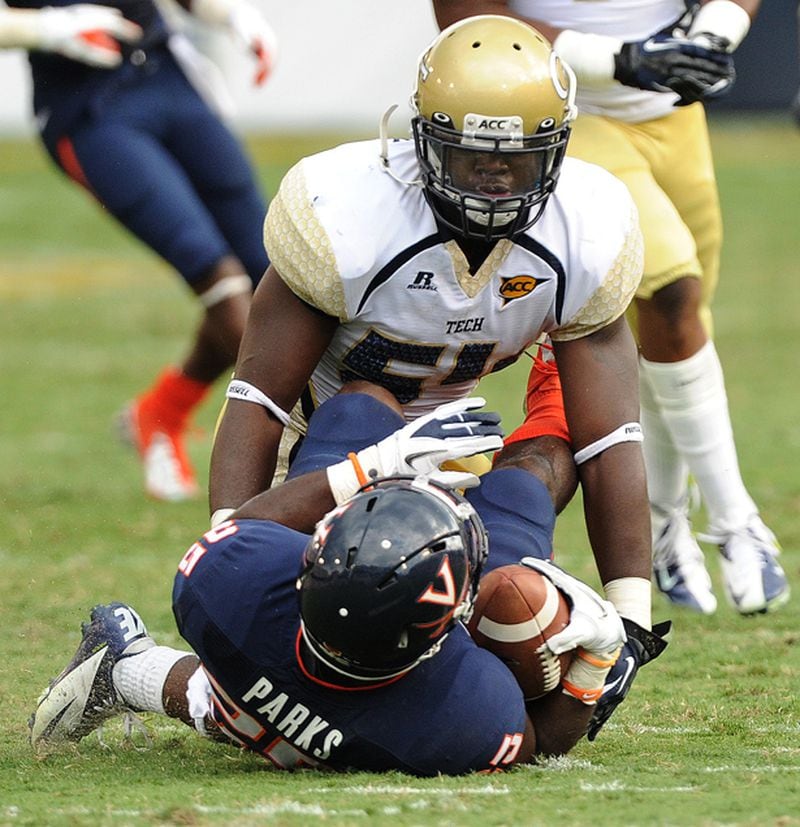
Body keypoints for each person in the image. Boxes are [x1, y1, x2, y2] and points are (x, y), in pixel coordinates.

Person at [207, 15, 670, 740]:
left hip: (462, 446)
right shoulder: (346, 212)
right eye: (470, 157)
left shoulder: (588, 225)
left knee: (528, 507)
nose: (491, 177)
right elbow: (259, 398)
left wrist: (632, 621)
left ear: (556, 150)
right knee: (364, 406)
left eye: (513, 160)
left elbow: (609, 437)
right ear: (423, 140)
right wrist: (222, 551)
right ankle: (161, 674)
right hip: (332, 449)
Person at [29, 390, 635, 774]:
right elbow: (535, 740)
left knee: (357, 411)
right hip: (325, 705)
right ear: (443, 640)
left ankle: (125, 668)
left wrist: (372, 468)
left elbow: (238, 532)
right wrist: (595, 662)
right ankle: (554, 391)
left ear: (313, 558)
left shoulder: (225, 591)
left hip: (271, 681)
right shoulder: (464, 712)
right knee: (520, 495)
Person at [431, 0, 790, 617]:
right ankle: (737, 522)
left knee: (677, 323)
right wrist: (617, 58)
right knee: (671, 287)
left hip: (676, 114)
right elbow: (462, 12)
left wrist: (711, 32)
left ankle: (665, 522)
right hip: (570, 115)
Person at [3, 0, 276, 502]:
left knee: (273, 274)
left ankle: (163, 411)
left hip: (167, 73)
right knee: (219, 277)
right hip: (90, 108)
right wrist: (47, 27)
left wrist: (232, 14)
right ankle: (315, 443)